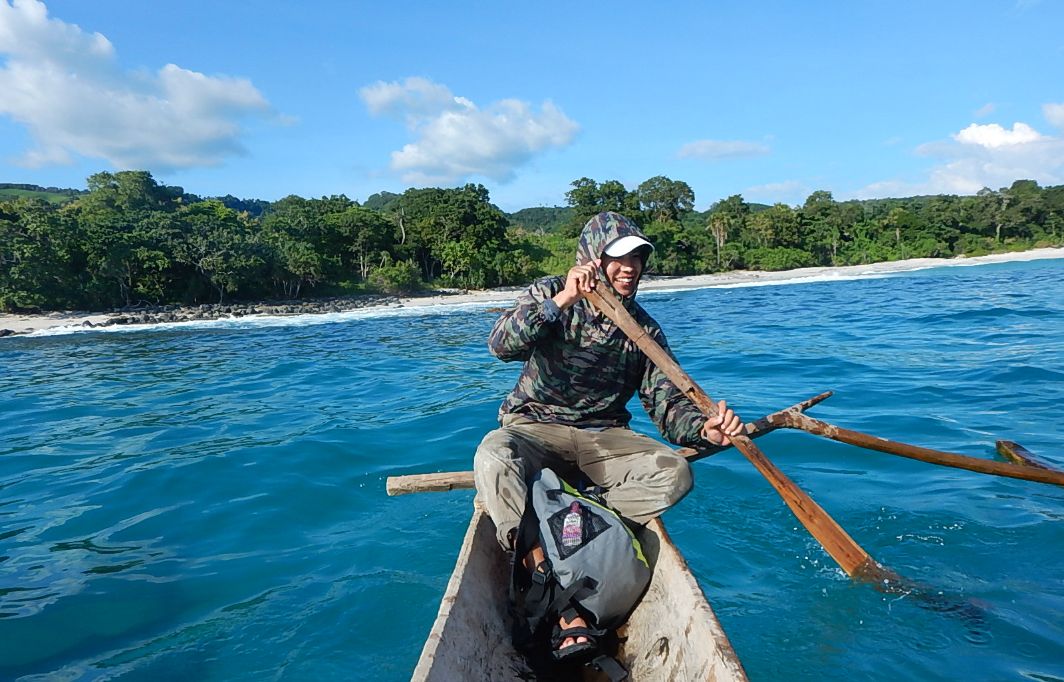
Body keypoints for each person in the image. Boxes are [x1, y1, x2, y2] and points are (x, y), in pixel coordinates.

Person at [473, 211, 743, 655]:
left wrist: (705, 430)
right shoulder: (549, 293)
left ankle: (574, 514)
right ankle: (545, 578)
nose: (630, 267)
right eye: (618, 258)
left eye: (638, 258)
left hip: (603, 438)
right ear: (592, 259)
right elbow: (501, 345)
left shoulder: (645, 329)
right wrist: (560, 301)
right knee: (493, 456)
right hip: (534, 427)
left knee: (675, 473)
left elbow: (667, 406)